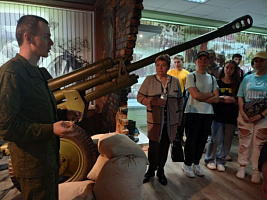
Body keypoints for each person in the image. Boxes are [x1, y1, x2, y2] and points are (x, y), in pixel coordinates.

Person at [0, 15, 82, 199]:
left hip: (47, 161)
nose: (51, 42)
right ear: (29, 38)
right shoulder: (12, 73)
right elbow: (6, 128)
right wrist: (51, 129)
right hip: (32, 167)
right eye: (46, 37)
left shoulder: (36, 72)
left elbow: (36, 111)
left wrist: (64, 113)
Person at [137, 54, 183, 185]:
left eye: (163, 65)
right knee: (153, 147)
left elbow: (180, 101)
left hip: (171, 121)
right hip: (155, 121)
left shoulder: (175, 81)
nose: (160, 68)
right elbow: (140, 97)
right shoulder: (149, 80)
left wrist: (180, 117)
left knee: (164, 146)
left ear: (168, 66)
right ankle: (151, 170)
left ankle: (161, 171)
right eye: (157, 65)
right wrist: (153, 101)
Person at [182, 51, 219, 178]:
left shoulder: (212, 78)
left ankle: (196, 163)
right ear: (196, 61)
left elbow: (217, 98)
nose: (203, 62)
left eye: (205, 60)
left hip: (208, 113)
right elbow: (195, 95)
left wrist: (202, 96)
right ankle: (187, 164)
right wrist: (210, 94)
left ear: (208, 62)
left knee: (202, 140)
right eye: (200, 59)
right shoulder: (191, 76)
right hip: (193, 112)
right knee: (191, 140)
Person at [235, 51, 267, 184]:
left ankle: (256, 170)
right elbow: (240, 95)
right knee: (244, 142)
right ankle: (242, 166)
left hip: (263, 118)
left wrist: (261, 115)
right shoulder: (247, 78)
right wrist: (242, 112)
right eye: (256, 61)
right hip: (245, 116)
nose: (258, 63)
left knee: (259, 144)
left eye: (261, 60)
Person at [205, 60, 240, 172]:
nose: (229, 70)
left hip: (231, 116)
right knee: (215, 138)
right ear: (223, 68)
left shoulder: (237, 84)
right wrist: (222, 98)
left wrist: (234, 100)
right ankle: (210, 159)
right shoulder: (217, 82)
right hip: (218, 114)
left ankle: (221, 160)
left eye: (231, 68)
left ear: (234, 70)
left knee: (227, 140)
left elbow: (241, 99)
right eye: (227, 67)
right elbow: (212, 97)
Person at [167, 55, 189, 144]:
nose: (176, 64)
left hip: (182, 97)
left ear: (182, 62)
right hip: (171, 96)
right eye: (175, 62)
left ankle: (179, 137)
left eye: (178, 62)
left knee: (181, 117)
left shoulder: (187, 74)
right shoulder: (170, 72)